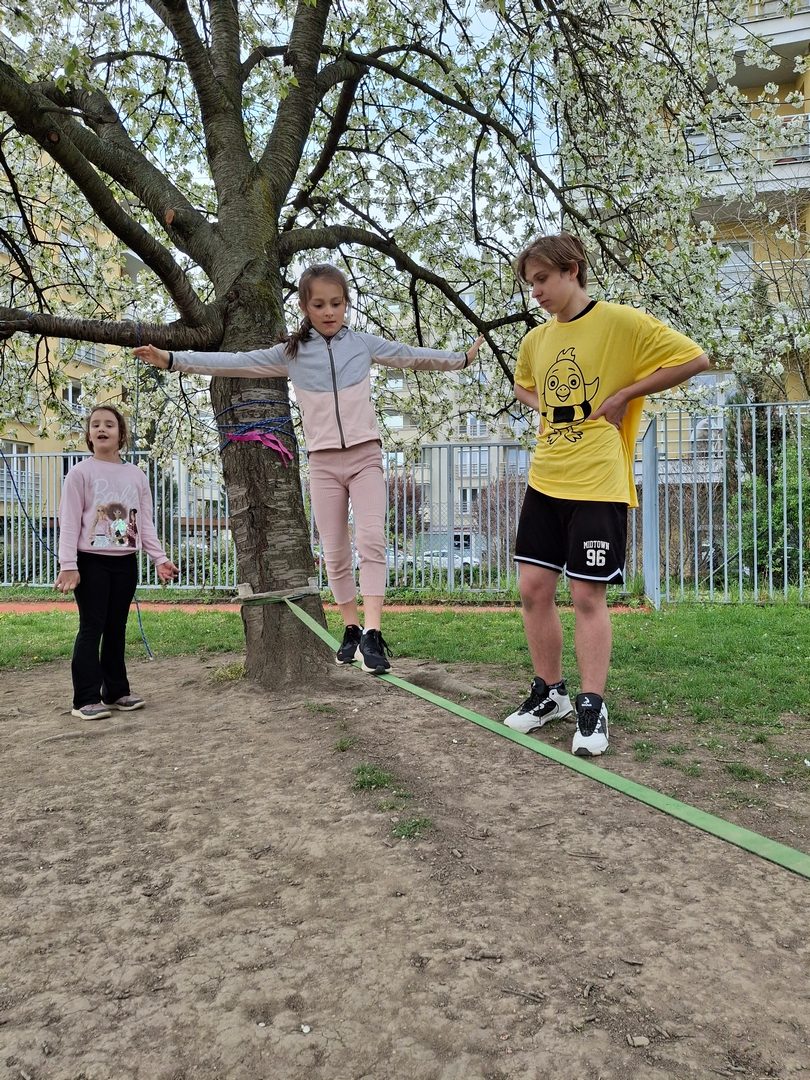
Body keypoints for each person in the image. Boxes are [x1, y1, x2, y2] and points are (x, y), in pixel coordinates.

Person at [135, 263, 482, 675]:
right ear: (304, 307)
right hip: (323, 463)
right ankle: (350, 627)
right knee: (334, 551)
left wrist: (461, 359)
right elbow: (234, 361)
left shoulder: (362, 345)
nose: (329, 311)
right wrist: (171, 359)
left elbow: (410, 355)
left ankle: (373, 632)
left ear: (346, 303)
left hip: (365, 456)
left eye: (336, 303)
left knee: (371, 541)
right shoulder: (292, 354)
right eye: (319, 304)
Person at [504, 233, 709, 756]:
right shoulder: (536, 340)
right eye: (530, 284)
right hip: (545, 479)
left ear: (572, 269)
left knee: (586, 596)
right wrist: (542, 406)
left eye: (542, 279)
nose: (536, 292)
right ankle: (550, 693)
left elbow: (694, 359)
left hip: (598, 483)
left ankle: (592, 705)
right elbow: (522, 384)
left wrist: (624, 395)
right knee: (533, 589)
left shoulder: (620, 322)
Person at [55, 405, 179, 720]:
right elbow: (69, 521)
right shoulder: (80, 473)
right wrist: (68, 564)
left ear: (121, 434)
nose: (102, 429)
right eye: (95, 424)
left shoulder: (136, 475)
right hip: (91, 563)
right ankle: (85, 699)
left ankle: (115, 691)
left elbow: (145, 523)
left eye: (109, 424)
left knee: (116, 628)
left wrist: (160, 558)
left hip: (125, 563)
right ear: (89, 435)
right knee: (92, 627)